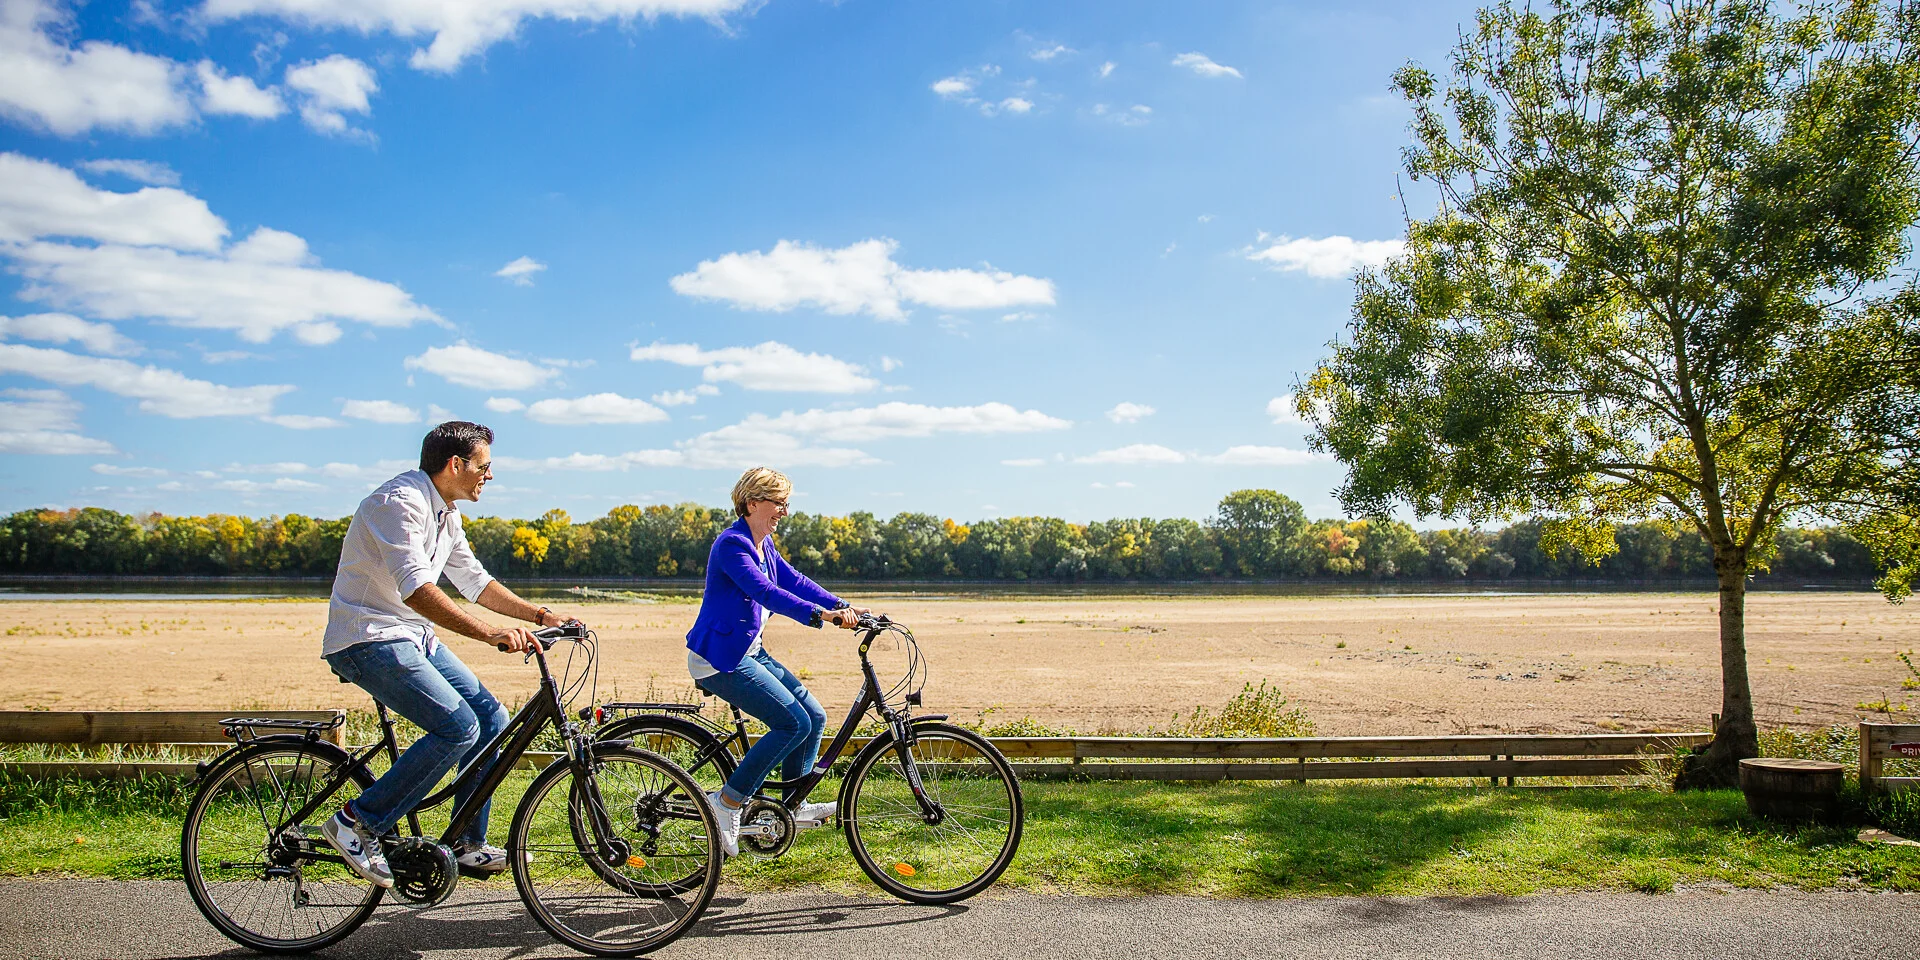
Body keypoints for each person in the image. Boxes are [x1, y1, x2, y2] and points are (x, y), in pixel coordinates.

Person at [318, 421, 584, 887]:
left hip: (411, 635)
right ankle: (357, 822)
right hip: (368, 636)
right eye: (484, 467)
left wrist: (542, 617)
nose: (490, 476)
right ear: (455, 465)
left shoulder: (447, 513)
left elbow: (475, 582)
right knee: (457, 727)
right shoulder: (397, 504)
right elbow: (418, 590)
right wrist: (490, 634)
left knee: (491, 718)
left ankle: (465, 842)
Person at [688, 466, 868, 857]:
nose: (784, 511)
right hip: (720, 658)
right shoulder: (732, 545)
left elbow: (794, 580)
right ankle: (727, 802)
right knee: (791, 723)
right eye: (779, 503)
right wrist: (821, 617)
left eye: (786, 503)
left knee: (814, 717)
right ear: (753, 503)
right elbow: (766, 592)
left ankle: (792, 805)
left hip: (749, 652)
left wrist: (841, 605)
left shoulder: (763, 542)